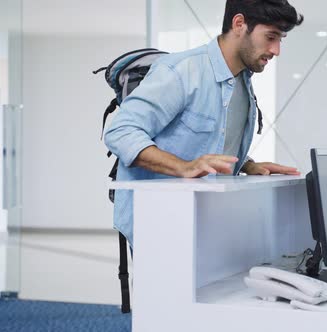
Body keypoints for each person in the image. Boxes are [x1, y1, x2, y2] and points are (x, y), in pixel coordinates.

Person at [104, 0, 304, 247]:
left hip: (206, 225)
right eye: (271, 37)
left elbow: (206, 139)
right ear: (239, 24)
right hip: (160, 226)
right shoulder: (181, 71)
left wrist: (245, 164)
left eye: (280, 39)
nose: (276, 50)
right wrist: (184, 167)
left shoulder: (243, 81)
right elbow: (121, 132)